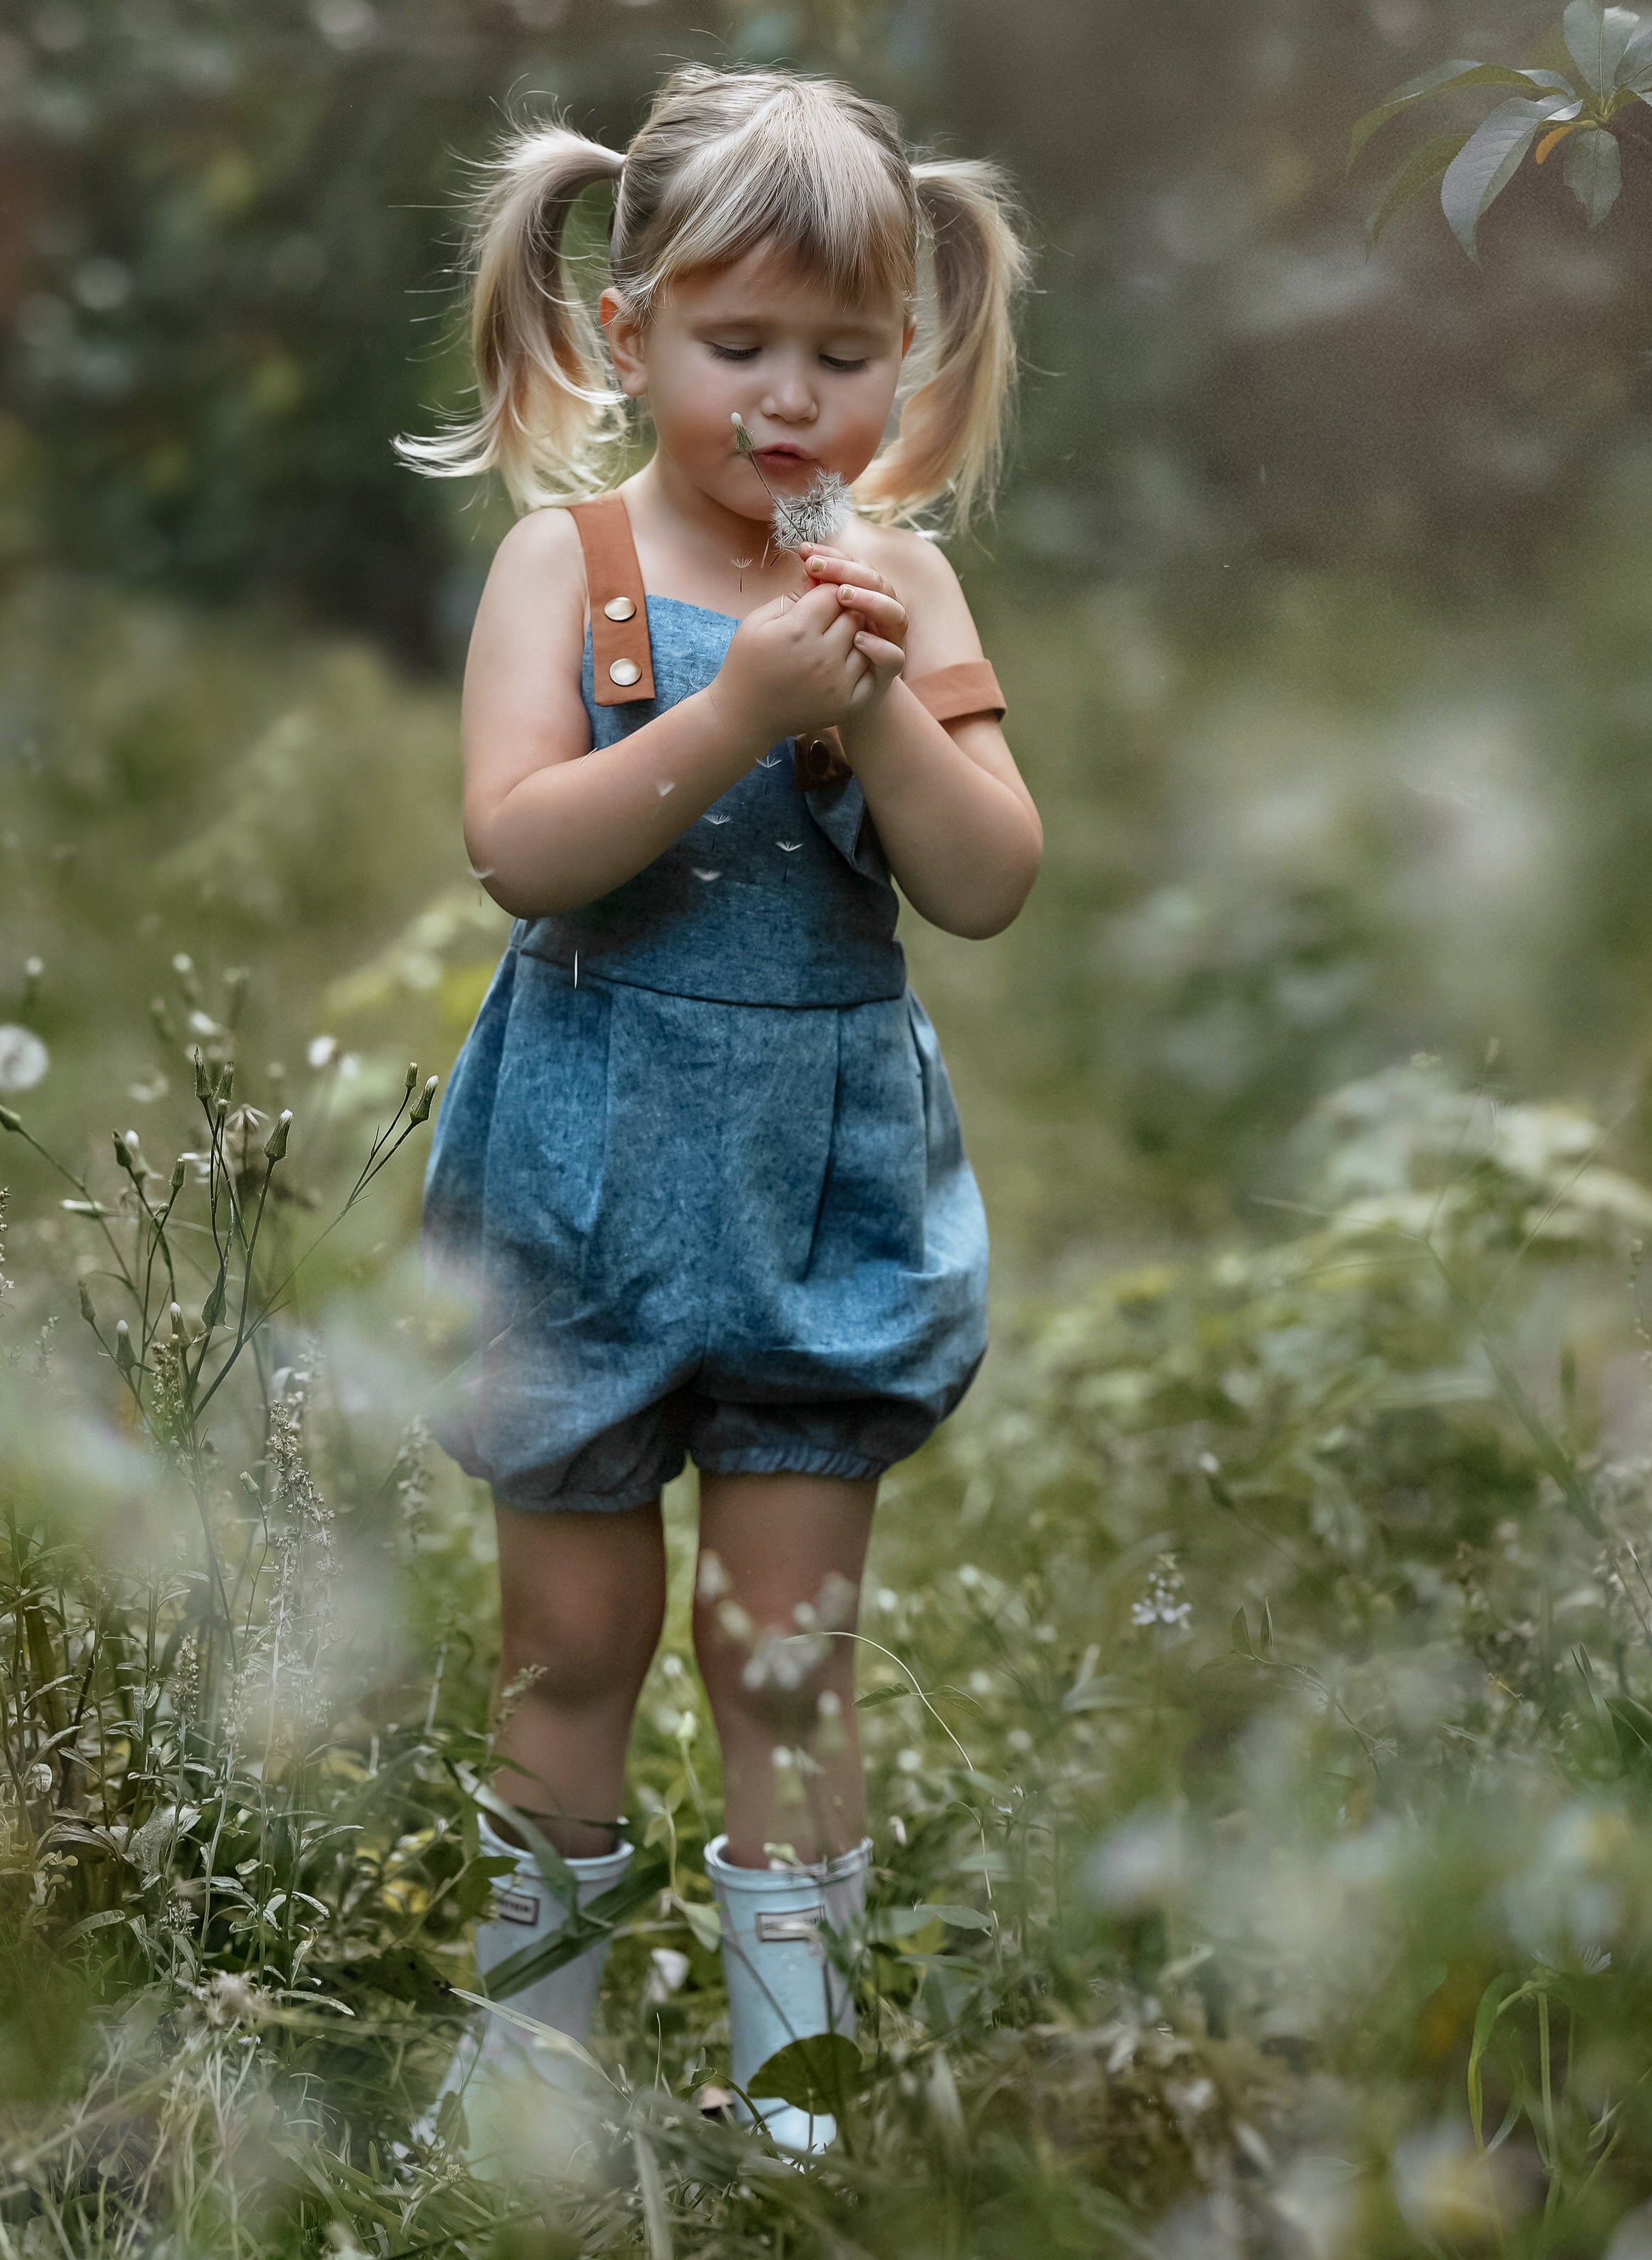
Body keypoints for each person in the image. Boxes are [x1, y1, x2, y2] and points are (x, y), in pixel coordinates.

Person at [399, 63, 1039, 2167]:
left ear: (908, 360)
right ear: (627, 331)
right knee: (569, 1639)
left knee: (784, 1660)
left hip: (811, 1184)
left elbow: (986, 880)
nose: (790, 401)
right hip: (584, 1179)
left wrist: (860, 699)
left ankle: (794, 2099)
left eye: (843, 356)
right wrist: (736, 706)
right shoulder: (560, 566)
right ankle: (535, 2077)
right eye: (737, 343)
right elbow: (522, 849)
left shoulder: (905, 590)